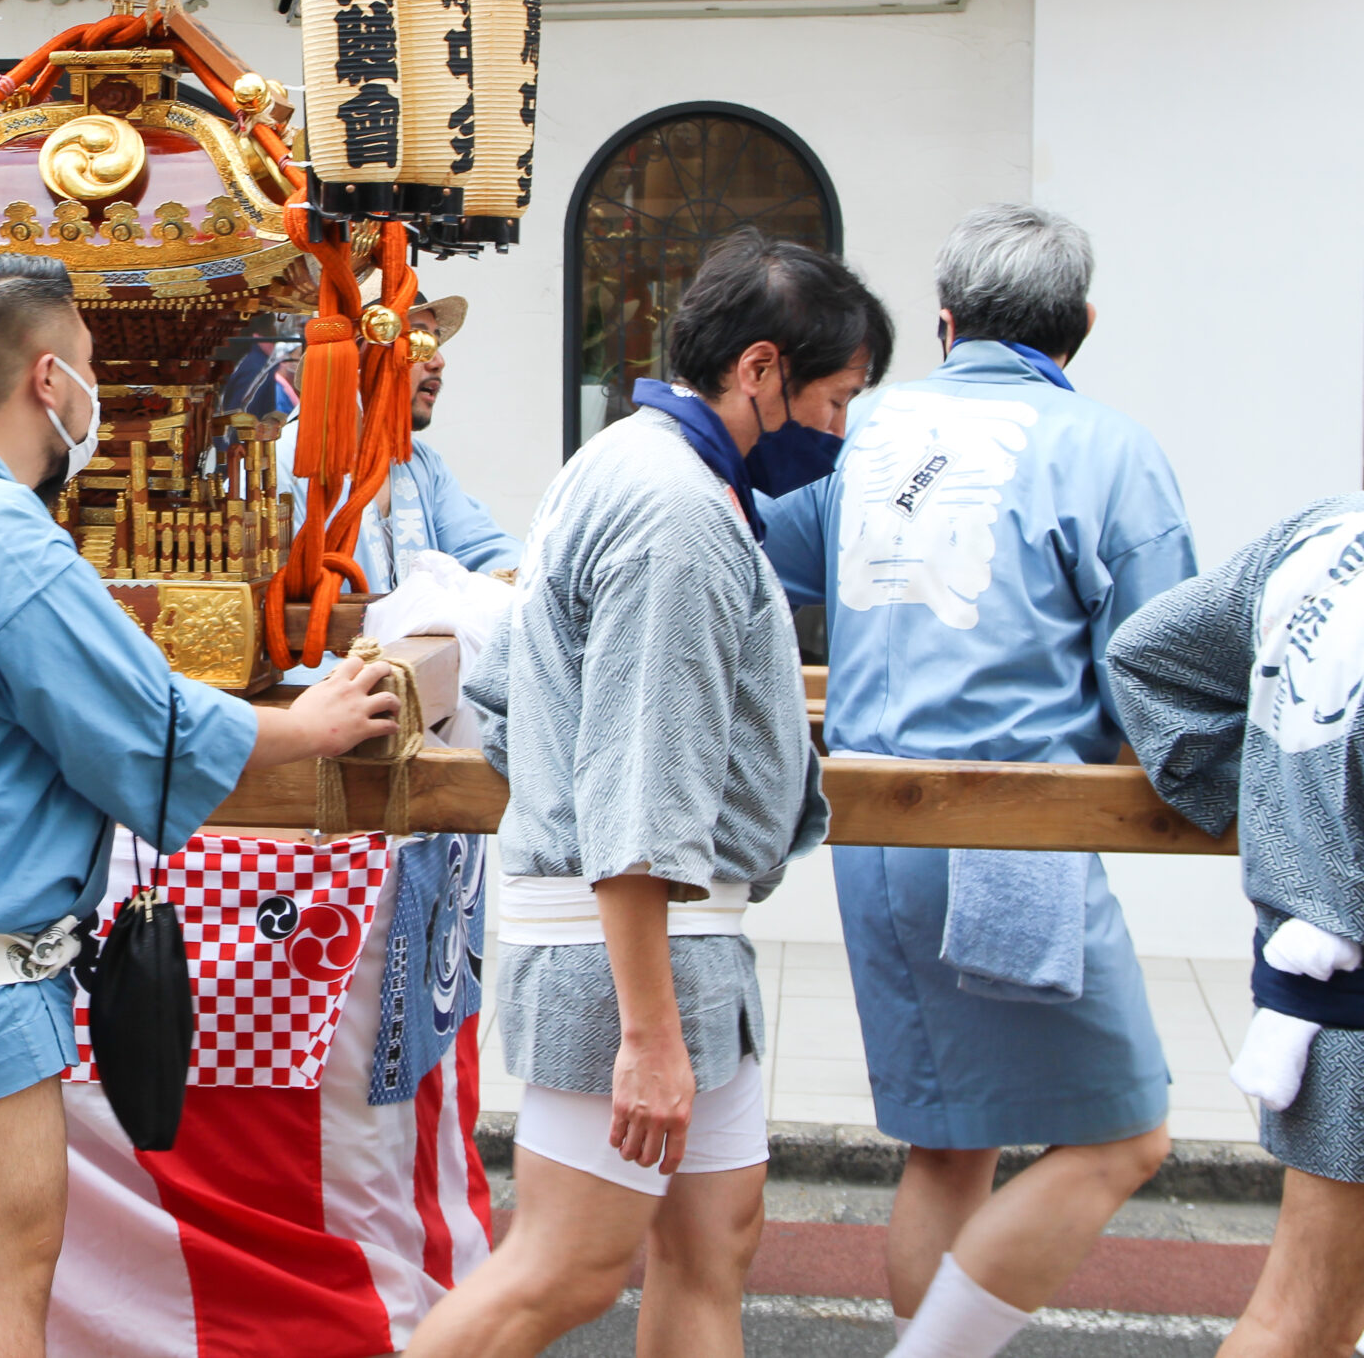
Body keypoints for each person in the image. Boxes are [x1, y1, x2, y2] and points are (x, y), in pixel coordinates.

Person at [0, 255, 399, 1358]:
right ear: (49, 380)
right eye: (96, 368)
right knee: (1, 1274)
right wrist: (313, 724)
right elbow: (144, 723)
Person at [412, 230, 891, 1358]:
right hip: (623, 939)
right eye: (836, 399)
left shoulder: (638, 465)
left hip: (670, 934)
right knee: (564, 1271)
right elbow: (639, 781)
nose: (838, 429)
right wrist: (648, 1033)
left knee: (713, 1240)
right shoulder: (673, 510)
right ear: (760, 369)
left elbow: (508, 689)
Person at [757, 204, 1185, 1356]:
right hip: (1015, 832)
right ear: (1080, 326)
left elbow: (755, 541)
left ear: (944, 325)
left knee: (948, 1145)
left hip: (868, 827)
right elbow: (1164, 666)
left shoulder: (869, 431)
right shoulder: (1108, 447)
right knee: (1124, 1137)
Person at [1108, 501, 1364, 1358]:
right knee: (1309, 1324)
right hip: (1346, 985)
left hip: (1317, 976)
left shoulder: (1326, 536)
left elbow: (1148, 655)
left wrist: (1261, 815)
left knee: (1307, 1321)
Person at [283, 291, 522, 593]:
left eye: (436, 343)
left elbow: (479, 544)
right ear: (361, 354)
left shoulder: (420, 463)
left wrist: (530, 573)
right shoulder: (284, 461)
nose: (438, 362)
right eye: (420, 342)